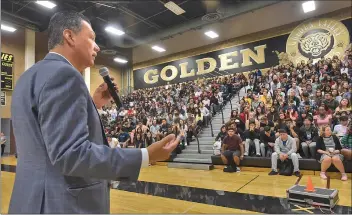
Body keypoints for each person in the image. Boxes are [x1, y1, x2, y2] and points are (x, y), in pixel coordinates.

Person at [9, 11, 183, 214]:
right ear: (69, 36)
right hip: (62, 205)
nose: (97, 47)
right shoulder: (65, 74)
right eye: (91, 37)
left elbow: (45, 136)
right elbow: (71, 154)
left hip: (30, 201)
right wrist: (146, 155)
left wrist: (91, 103)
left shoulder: (27, 77)